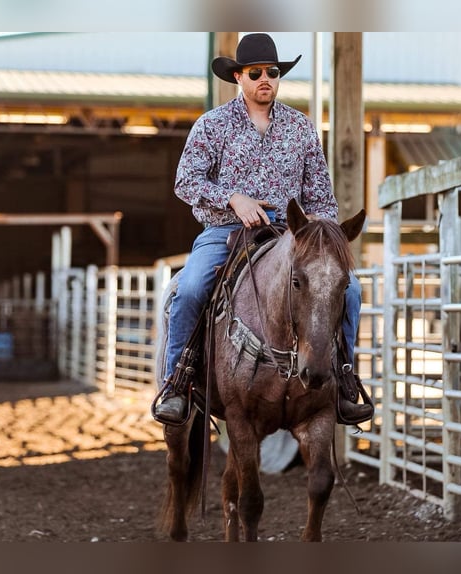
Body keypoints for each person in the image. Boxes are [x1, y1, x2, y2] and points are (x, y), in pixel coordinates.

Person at [153, 33, 373, 425]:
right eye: (255, 73)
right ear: (238, 77)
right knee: (189, 289)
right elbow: (185, 181)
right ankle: (177, 382)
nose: (265, 79)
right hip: (226, 231)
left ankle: (343, 380)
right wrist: (233, 199)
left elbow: (321, 196)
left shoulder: (301, 129)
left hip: (291, 237)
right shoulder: (213, 125)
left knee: (350, 290)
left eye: (272, 72)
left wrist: (318, 233)